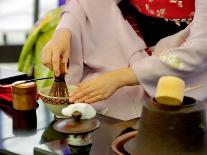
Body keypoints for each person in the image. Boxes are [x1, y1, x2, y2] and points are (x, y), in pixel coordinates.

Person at [41, 0, 207, 120]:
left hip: (185, 60)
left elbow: (201, 47)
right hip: (128, 43)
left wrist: (122, 77)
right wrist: (64, 30)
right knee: (93, 108)